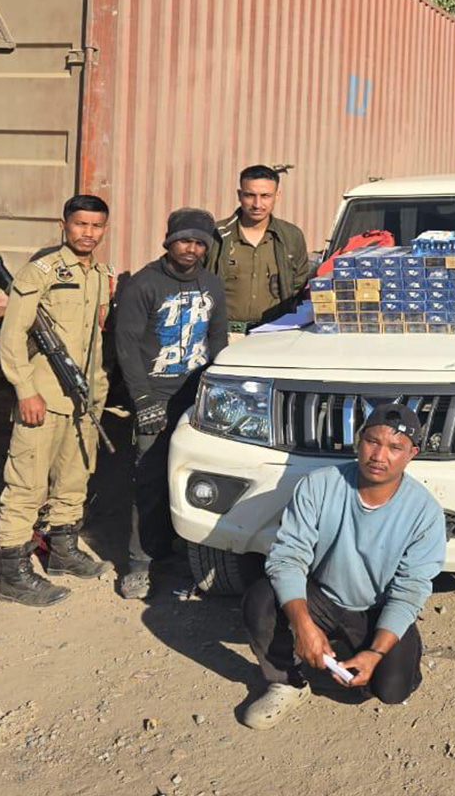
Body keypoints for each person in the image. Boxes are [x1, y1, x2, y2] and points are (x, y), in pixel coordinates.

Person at [241, 404, 447, 729]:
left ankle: (367, 650)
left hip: (375, 608)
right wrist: (303, 625)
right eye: (372, 441)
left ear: (412, 454)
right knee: (261, 597)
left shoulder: (425, 513)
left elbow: (410, 589)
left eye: (395, 447)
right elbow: (288, 555)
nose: (379, 455)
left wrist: (376, 654)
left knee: (390, 690)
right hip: (321, 594)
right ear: (358, 441)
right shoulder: (319, 485)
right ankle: (286, 681)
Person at [0, 194, 116, 606]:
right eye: (81, 224)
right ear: (63, 223)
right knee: (27, 482)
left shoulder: (100, 273)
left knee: (74, 476)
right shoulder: (41, 271)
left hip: (84, 397)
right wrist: (25, 389)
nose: (88, 233)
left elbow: (94, 339)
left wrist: (97, 392)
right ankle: (12, 570)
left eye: (96, 226)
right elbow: (12, 336)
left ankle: (63, 550)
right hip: (43, 396)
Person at [113, 208, 229, 599]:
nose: (191, 249)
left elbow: (217, 339)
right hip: (156, 395)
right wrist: (143, 397)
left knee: (196, 479)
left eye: (199, 242)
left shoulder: (212, 284)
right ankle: (141, 563)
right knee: (150, 480)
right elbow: (126, 345)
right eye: (185, 241)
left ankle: (183, 557)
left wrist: (215, 390)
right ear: (169, 241)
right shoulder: (144, 284)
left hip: (195, 396)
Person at [205, 165, 311, 333]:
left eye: (265, 196)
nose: (257, 204)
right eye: (250, 195)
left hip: (274, 334)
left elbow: (298, 284)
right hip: (224, 335)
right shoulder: (216, 235)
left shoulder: (291, 236)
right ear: (240, 196)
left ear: (277, 196)